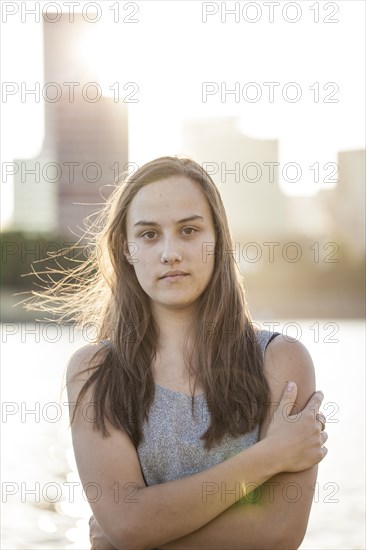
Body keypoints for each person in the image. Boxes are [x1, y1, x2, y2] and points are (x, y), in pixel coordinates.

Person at [64, 156, 327, 550]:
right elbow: (128, 524)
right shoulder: (95, 371)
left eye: (188, 230)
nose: (171, 252)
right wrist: (270, 456)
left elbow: (278, 532)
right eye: (149, 235)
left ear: (217, 238)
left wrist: (138, 534)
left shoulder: (280, 361)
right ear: (127, 249)